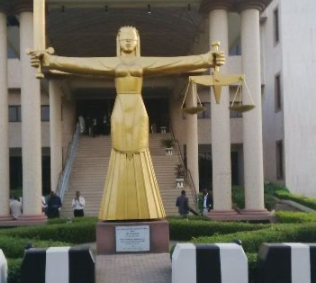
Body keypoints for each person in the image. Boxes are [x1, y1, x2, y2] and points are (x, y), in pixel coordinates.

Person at [29, 26, 225, 221]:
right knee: (120, 148)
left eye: (132, 38)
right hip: (120, 108)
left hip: (138, 108)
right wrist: (49, 60)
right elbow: (80, 64)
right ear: (118, 41)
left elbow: (175, 63)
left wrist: (208, 58)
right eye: (124, 38)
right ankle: (116, 207)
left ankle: (148, 208)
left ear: (138, 41)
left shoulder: (144, 63)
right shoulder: (112, 63)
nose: (128, 42)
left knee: (139, 149)